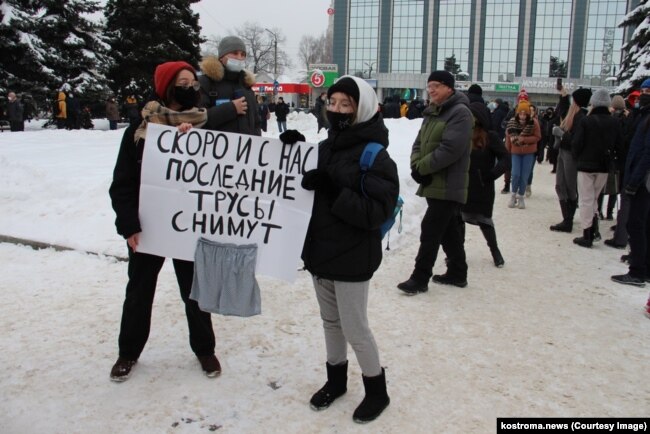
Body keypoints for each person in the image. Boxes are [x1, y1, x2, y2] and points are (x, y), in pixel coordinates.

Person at [287, 75, 398, 423]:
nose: (336, 110)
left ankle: (377, 391)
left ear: (361, 108)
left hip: (352, 256)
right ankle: (336, 382)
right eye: (332, 103)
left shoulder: (376, 157)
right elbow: (302, 185)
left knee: (355, 327)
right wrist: (287, 151)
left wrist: (334, 191)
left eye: (345, 105)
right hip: (320, 254)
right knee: (330, 324)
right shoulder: (325, 147)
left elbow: (373, 212)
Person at [108, 61, 219, 382]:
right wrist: (128, 225)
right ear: (167, 87)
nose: (191, 88)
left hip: (188, 226)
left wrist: (190, 142)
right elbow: (122, 183)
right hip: (148, 227)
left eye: (193, 83)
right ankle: (128, 352)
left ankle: (205, 349)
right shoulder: (140, 130)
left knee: (195, 291)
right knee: (139, 291)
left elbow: (221, 174)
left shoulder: (201, 125)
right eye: (182, 83)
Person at [397, 70, 473, 293]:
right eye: (429, 85)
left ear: (449, 88)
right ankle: (458, 272)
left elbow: (451, 149)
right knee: (448, 229)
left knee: (430, 228)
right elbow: (418, 142)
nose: (431, 89)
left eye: (436, 85)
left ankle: (420, 278)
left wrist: (423, 167)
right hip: (433, 181)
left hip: (449, 183)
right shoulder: (433, 112)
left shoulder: (460, 113)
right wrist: (415, 164)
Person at [571, 89, 623, 247]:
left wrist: (577, 157)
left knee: (586, 199)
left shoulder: (586, 121)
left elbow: (577, 143)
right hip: (604, 166)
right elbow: (619, 145)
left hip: (586, 165)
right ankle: (594, 229)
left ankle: (587, 233)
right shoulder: (615, 121)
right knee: (594, 198)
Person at [611, 78, 650, 287]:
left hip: (642, 180)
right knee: (641, 223)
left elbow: (646, 153)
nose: (644, 94)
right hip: (637, 175)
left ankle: (637, 270)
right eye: (642, 90)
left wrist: (634, 181)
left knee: (636, 223)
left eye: (648, 91)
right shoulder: (642, 116)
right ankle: (641, 264)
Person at [462, 102, 510, 267]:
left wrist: (492, 175)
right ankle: (457, 253)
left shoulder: (490, 136)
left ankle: (495, 251)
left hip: (482, 186)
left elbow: (505, 158)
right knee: (457, 220)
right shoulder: (462, 134)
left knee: (484, 221)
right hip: (462, 185)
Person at [198, 35, 260, 136]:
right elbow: (197, 119)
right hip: (216, 149)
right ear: (222, 57)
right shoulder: (206, 82)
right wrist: (231, 109)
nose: (239, 57)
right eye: (235, 53)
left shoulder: (246, 86)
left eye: (243, 54)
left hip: (245, 149)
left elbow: (256, 123)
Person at [549, 87, 592, 232]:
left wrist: (562, 135)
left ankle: (568, 220)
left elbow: (577, 140)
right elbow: (564, 110)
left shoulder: (582, 117)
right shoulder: (575, 114)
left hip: (571, 155)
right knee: (560, 185)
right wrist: (563, 96)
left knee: (569, 187)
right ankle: (566, 218)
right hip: (563, 152)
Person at [504, 100, 541, 209]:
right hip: (515, 152)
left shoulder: (534, 122)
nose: (523, 116)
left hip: (528, 153)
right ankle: (513, 195)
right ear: (517, 113)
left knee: (524, 176)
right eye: (521, 113)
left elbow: (538, 137)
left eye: (525, 114)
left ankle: (521, 197)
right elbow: (508, 138)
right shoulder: (511, 123)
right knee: (515, 174)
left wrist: (524, 139)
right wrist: (507, 152)